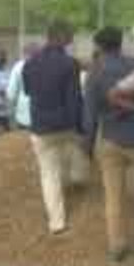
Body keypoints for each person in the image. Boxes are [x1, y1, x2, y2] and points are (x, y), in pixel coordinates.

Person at [22, 20, 89, 235]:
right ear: (59, 37)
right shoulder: (70, 64)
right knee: (75, 155)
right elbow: (75, 99)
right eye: (69, 35)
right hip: (66, 125)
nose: (71, 39)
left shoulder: (30, 63)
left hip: (41, 127)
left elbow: (28, 92)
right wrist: (81, 127)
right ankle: (76, 179)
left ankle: (57, 223)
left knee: (49, 174)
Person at [82, 27, 134, 262]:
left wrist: (87, 146)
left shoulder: (94, 73)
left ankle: (117, 245)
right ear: (120, 43)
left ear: (99, 46)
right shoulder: (133, 65)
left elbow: (90, 114)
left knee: (113, 197)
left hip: (110, 139)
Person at [7, 42, 40, 131]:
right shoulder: (47, 66)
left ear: (24, 53)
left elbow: (11, 93)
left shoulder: (18, 67)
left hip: (23, 113)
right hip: (42, 115)